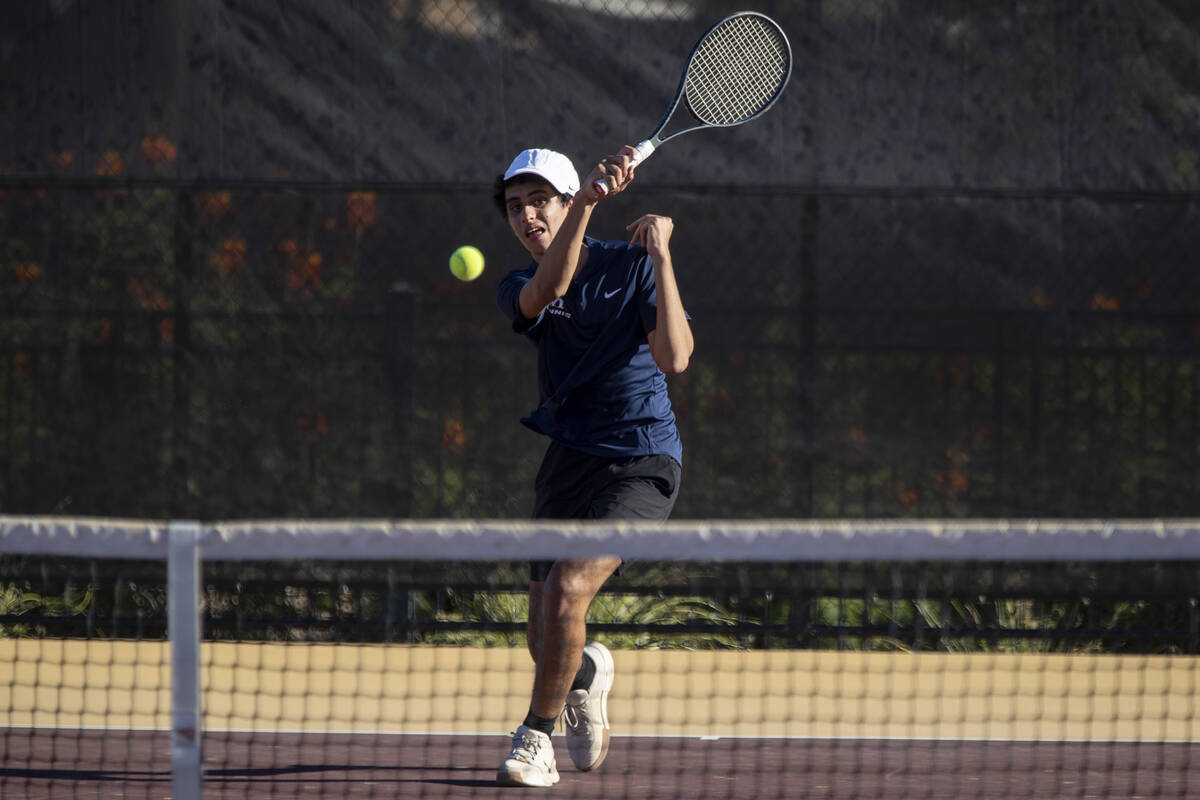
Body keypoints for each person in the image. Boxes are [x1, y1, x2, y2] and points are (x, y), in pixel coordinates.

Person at [491, 147, 693, 788]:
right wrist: (586, 203)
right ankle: (585, 677)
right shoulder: (519, 287)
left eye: (540, 200)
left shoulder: (630, 266)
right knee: (541, 629)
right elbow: (548, 289)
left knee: (568, 590)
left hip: (640, 461)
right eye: (516, 207)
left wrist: (661, 258)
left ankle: (534, 739)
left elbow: (676, 358)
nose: (527, 216)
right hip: (568, 462)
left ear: (567, 197)